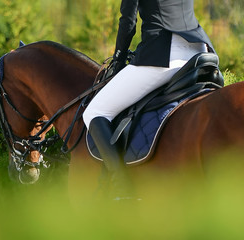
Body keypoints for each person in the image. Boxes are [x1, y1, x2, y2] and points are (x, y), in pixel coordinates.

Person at [83, 0, 218, 199]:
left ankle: (121, 189)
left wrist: (118, 60)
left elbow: (128, 21)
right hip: (200, 49)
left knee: (95, 112)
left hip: (162, 54)